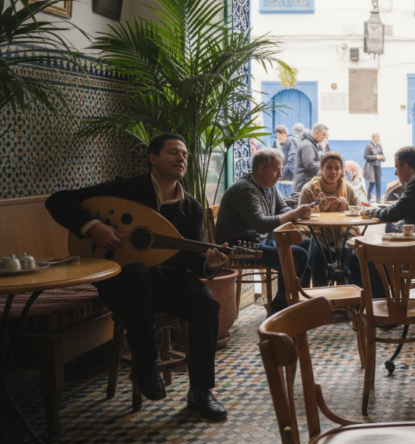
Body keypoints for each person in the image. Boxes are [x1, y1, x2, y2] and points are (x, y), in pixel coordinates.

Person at [45, 133, 231, 421]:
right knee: (137, 273)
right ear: (153, 158)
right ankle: (146, 364)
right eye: (173, 152)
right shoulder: (127, 190)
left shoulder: (190, 207)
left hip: (167, 279)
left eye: (184, 154)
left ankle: (201, 392)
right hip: (122, 282)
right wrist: (93, 227)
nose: (181, 158)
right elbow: (58, 200)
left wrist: (210, 264)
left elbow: (192, 261)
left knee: (206, 304)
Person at [216, 148, 313, 314]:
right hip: (238, 247)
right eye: (276, 170)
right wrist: (295, 213)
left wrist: (293, 213)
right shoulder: (245, 190)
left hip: (258, 242)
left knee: (306, 247)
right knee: (297, 256)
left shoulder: (269, 186)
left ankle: (294, 304)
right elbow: (260, 224)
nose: (280, 175)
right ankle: (281, 308)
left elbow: (282, 209)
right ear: (261, 169)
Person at [298, 151, 374, 292]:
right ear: (321, 169)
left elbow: (358, 212)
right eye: (329, 167)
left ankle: (352, 299)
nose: (333, 172)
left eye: (337, 168)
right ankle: (320, 299)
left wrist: (346, 208)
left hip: (344, 233)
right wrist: (319, 206)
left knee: (355, 255)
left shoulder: (348, 189)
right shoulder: (309, 189)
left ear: (342, 170)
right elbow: (301, 216)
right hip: (317, 233)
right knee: (317, 254)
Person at [291, 122, 328, 197]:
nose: (325, 137)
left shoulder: (311, 144)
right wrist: (325, 166)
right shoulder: (308, 145)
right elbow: (310, 164)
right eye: (324, 135)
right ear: (317, 132)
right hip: (304, 184)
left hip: (305, 183)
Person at [363, 133, 385, 203]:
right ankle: (368, 194)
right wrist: (376, 157)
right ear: (373, 138)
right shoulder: (369, 146)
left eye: (378, 138)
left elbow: (383, 156)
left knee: (378, 183)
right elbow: (365, 156)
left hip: (378, 166)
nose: (377, 139)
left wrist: (382, 158)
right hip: (371, 167)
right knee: (372, 182)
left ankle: (378, 200)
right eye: (376, 138)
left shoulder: (379, 146)